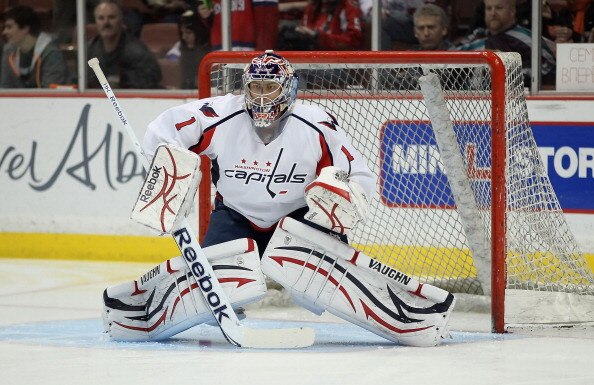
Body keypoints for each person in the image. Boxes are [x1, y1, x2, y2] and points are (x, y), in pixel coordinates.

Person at [101, 50, 456, 347]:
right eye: (254, 86)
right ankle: (153, 312)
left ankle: (396, 311)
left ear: (288, 88)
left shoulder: (316, 124)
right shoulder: (219, 115)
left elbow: (358, 174)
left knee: (316, 290)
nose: (260, 96)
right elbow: (161, 131)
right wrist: (168, 176)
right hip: (236, 216)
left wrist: (340, 197)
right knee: (217, 298)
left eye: (270, 86)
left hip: (299, 220)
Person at [454, 0, 556, 87]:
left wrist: (508, 68)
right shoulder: (477, 36)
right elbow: (447, 60)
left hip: (514, 102)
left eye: (498, 8)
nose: (493, 13)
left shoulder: (526, 38)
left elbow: (550, 68)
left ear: (512, 11)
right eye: (489, 8)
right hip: (470, 103)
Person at [87, 0, 161, 89]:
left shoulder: (138, 52)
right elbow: (77, 81)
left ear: (121, 20)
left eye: (111, 17)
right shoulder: (89, 50)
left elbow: (148, 84)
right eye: (101, 18)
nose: (106, 23)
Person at [0, 5, 69, 88]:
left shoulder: (52, 54)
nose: (4, 32)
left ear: (25, 29)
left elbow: (51, 92)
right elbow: (5, 87)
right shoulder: (8, 52)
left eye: (9, 27)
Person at [278, 0, 364, 51]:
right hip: (311, 60)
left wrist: (318, 36)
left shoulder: (349, 5)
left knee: (294, 72)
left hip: (337, 64)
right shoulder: (314, 5)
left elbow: (353, 42)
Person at [198, 0, 279, 50]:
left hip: (247, 48)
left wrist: (263, 53)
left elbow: (266, 20)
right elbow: (211, 19)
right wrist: (206, 16)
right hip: (219, 48)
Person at [165, 10, 211, 89]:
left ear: (199, 32)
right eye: (182, 33)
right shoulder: (180, 45)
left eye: (188, 32)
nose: (184, 37)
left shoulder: (211, 47)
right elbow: (171, 58)